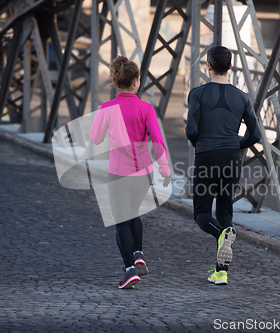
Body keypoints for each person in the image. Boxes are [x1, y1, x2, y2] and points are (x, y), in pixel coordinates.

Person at [90, 56, 171, 289]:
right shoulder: (146, 108)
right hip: (143, 174)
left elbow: (95, 139)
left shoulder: (107, 109)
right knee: (133, 212)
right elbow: (156, 138)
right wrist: (164, 168)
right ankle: (138, 253)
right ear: (136, 81)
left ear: (115, 82)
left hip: (118, 173)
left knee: (121, 222)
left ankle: (129, 270)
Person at [185, 46, 261, 285]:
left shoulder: (197, 93)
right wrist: (238, 142)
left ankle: (221, 234)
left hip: (207, 156)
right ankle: (221, 273)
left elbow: (191, 130)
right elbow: (256, 134)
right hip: (231, 158)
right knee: (225, 211)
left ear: (208, 65)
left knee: (201, 213)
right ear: (230, 66)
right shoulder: (242, 97)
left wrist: (202, 143)